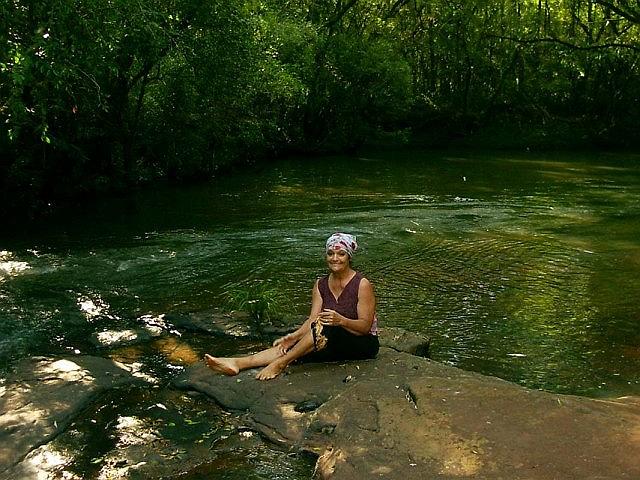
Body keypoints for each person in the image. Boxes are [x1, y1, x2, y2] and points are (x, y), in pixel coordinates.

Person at [204, 232, 379, 380]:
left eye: (341, 254)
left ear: (349, 257)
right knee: (295, 346)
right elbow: (312, 319)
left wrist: (341, 321)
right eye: (330, 253)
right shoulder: (320, 284)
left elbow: (364, 327)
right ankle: (238, 363)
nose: (335, 258)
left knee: (324, 330)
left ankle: (280, 363)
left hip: (362, 344)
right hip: (329, 339)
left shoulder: (362, 284)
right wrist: (292, 337)